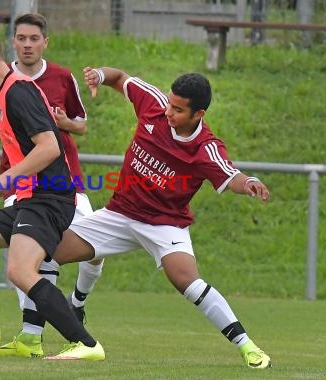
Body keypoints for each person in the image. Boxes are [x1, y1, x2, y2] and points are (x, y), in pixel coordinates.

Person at [50, 66, 272, 369]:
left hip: (165, 223)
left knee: (188, 283)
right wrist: (100, 76)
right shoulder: (154, 104)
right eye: (170, 104)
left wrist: (249, 184)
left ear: (199, 114)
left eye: (179, 110)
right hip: (119, 214)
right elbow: (120, 78)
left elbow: (231, 175)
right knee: (47, 255)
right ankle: (64, 315)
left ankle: (248, 347)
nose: (169, 112)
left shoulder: (206, 149)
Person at [0, 25, 105, 361]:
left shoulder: (18, 92)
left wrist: (3, 181)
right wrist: (4, 185)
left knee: (20, 270)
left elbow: (49, 149)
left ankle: (86, 344)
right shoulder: (2, 94)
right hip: (33, 198)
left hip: (51, 199)